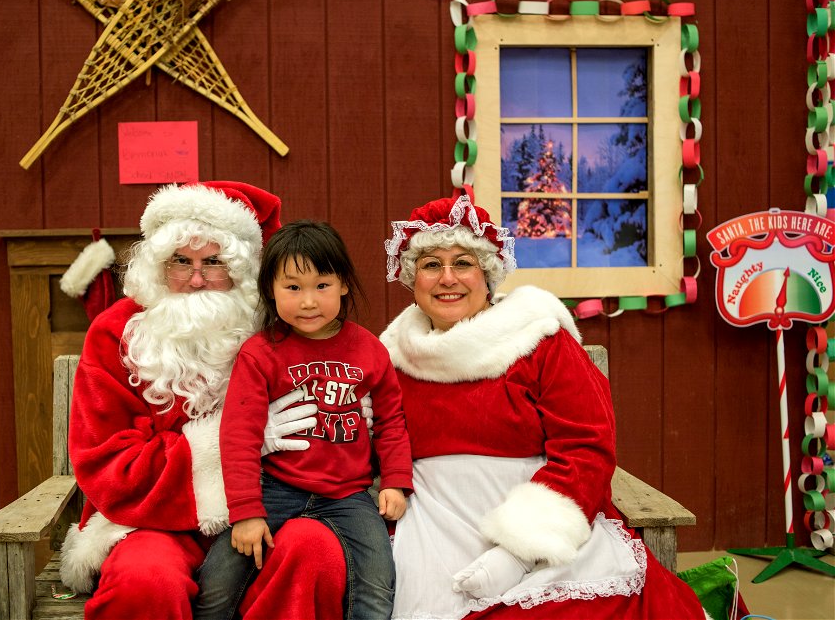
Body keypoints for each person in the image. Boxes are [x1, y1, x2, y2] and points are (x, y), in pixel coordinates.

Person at [378, 193, 708, 620]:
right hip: (432, 524)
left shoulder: (538, 339)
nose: (447, 278)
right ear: (411, 277)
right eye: (431, 265)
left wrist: (518, 551)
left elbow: (586, 446)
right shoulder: (390, 356)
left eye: (463, 262)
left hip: (545, 522)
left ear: (487, 273)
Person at [57, 181, 346, 620]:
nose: (195, 279)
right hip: (149, 520)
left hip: (272, 510)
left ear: (241, 268)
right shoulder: (116, 332)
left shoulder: (280, 325)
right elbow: (107, 465)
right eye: (180, 262)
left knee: (315, 551)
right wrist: (234, 439)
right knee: (145, 580)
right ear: (157, 266)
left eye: (212, 261)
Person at [194, 220, 414, 620]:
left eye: (321, 285)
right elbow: (239, 437)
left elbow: (391, 421)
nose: (308, 301)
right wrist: (246, 512)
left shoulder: (369, 349)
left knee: (378, 582)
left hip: (348, 496)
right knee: (216, 583)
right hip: (276, 488)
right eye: (293, 287)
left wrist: (396, 481)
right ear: (270, 291)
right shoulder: (260, 354)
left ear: (344, 284)